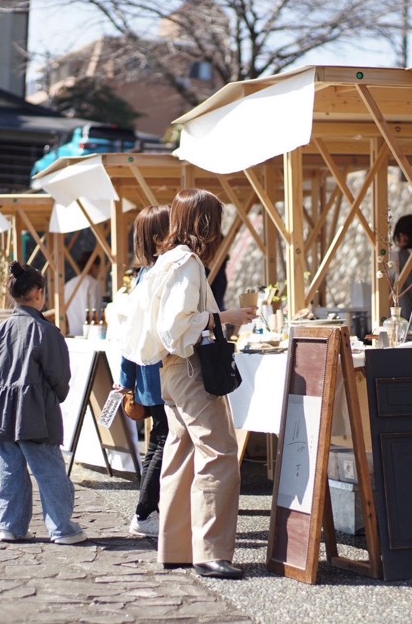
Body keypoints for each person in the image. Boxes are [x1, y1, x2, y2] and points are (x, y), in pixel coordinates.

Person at [146, 189, 255, 580]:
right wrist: (223, 316)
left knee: (181, 454)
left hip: (171, 370)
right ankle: (210, 552)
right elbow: (177, 325)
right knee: (219, 452)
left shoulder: (165, 260)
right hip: (192, 367)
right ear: (206, 221)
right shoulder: (188, 263)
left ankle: (176, 548)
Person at [0, 261, 86, 545]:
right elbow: (59, 375)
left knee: (9, 470)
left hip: (4, 407)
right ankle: (61, 528)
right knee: (49, 470)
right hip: (36, 410)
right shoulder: (46, 330)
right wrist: (55, 396)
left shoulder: (3, 328)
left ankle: (10, 525)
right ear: (39, 293)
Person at [117, 205, 171, 538]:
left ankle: (147, 510)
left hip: (148, 375)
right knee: (165, 440)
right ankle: (145, 511)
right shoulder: (158, 276)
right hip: (161, 372)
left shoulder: (142, 276)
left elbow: (129, 336)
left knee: (158, 441)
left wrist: (126, 379)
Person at [63, 252, 103, 336]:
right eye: (99, 267)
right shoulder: (93, 284)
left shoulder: (68, 284)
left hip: (73, 333)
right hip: (91, 334)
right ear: (94, 266)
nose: (99, 271)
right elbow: (95, 310)